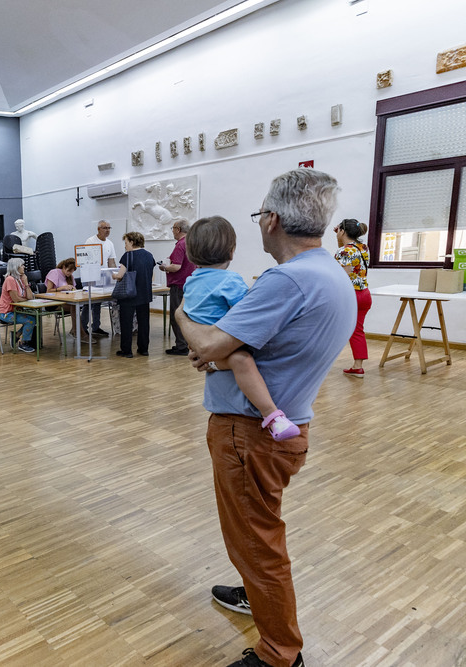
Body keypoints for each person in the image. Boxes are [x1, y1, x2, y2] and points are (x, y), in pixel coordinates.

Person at [175, 169, 356, 667]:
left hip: (247, 434)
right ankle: (256, 596)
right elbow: (245, 348)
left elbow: (211, 343)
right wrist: (216, 353)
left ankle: (280, 653)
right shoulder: (331, 273)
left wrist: (181, 318)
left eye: (259, 215)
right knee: (259, 533)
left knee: (257, 541)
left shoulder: (286, 280)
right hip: (284, 426)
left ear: (272, 219)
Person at [181, 216, 300, 441]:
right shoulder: (230, 280)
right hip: (222, 345)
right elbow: (249, 313)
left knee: (235, 361)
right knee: (242, 360)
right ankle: (272, 415)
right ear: (231, 251)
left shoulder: (191, 280)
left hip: (200, 343)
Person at [334, 218, 372, 377]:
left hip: (350, 295)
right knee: (357, 330)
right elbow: (345, 249)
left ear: (342, 231)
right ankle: (358, 366)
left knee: (329, 327)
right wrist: (340, 235)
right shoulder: (363, 247)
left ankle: (317, 361)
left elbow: (344, 275)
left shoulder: (344, 251)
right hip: (364, 294)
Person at [111, 232, 154, 357]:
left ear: (132, 242)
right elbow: (151, 275)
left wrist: (113, 275)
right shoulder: (149, 255)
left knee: (126, 322)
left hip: (129, 294)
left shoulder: (128, 256)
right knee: (144, 322)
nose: (125, 246)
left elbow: (120, 275)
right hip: (145, 293)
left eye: (126, 243)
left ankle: (127, 351)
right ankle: (143, 349)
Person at [158, 217, 196, 355]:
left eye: (173, 228)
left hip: (179, 285)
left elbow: (176, 266)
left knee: (177, 316)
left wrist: (164, 267)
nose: (172, 231)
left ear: (178, 229)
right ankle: (187, 343)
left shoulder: (180, 245)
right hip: (190, 284)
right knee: (187, 316)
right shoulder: (191, 243)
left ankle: (181, 346)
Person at [81, 220, 117, 338]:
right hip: (91, 275)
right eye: (105, 228)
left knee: (98, 302)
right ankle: (83, 327)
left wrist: (114, 275)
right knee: (89, 303)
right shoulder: (90, 241)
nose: (107, 230)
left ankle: (96, 326)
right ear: (98, 229)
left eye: (109, 228)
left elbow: (111, 261)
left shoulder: (110, 243)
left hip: (104, 276)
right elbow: (87, 260)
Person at [0, 258, 37, 353]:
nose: (24, 267)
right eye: (22, 265)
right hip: (5, 312)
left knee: (34, 317)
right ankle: (22, 343)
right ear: (16, 267)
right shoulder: (10, 279)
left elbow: (30, 297)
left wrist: (26, 284)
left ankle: (17, 335)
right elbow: (16, 299)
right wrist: (26, 299)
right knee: (30, 320)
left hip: (15, 310)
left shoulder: (20, 279)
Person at [44, 258, 82, 340]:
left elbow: (73, 288)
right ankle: (78, 331)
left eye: (72, 272)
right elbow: (48, 291)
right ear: (64, 267)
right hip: (53, 302)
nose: (70, 273)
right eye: (69, 271)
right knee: (74, 307)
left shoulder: (69, 276)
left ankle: (77, 330)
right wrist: (62, 288)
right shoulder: (54, 273)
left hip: (66, 301)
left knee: (76, 306)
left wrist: (73, 289)